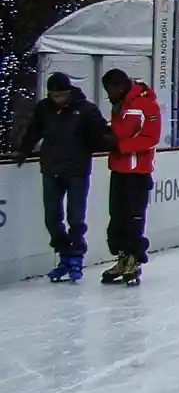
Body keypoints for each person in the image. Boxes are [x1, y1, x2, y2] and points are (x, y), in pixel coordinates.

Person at [17, 71, 110, 283]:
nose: (57, 100)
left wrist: (109, 141)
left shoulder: (86, 110)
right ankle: (64, 254)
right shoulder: (44, 108)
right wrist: (24, 150)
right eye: (53, 96)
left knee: (75, 218)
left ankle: (76, 255)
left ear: (69, 92)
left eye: (61, 96)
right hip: (51, 169)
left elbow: (100, 134)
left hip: (77, 170)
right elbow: (34, 131)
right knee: (52, 217)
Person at [100, 70, 161, 286]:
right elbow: (120, 132)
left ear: (121, 86)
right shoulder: (119, 105)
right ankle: (123, 257)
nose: (108, 95)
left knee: (134, 218)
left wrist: (120, 146)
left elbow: (151, 137)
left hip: (137, 172)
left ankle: (134, 259)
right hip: (119, 169)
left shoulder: (147, 105)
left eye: (111, 90)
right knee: (117, 217)